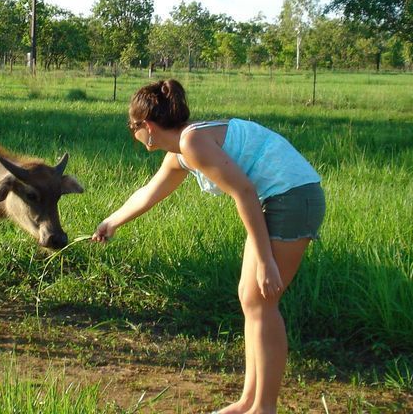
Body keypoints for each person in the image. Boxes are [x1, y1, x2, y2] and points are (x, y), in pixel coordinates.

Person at [91, 79, 325, 414]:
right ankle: (249, 401)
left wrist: (266, 261)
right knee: (252, 299)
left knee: (261, 299)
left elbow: (243, 192)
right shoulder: (182, 151)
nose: (133, 133)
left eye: (133, 126)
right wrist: (111, 222)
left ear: (149, 126)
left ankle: (264, 407)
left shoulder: (193, 142)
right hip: (280, 199)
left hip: (292, 197)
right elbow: (149, 192)